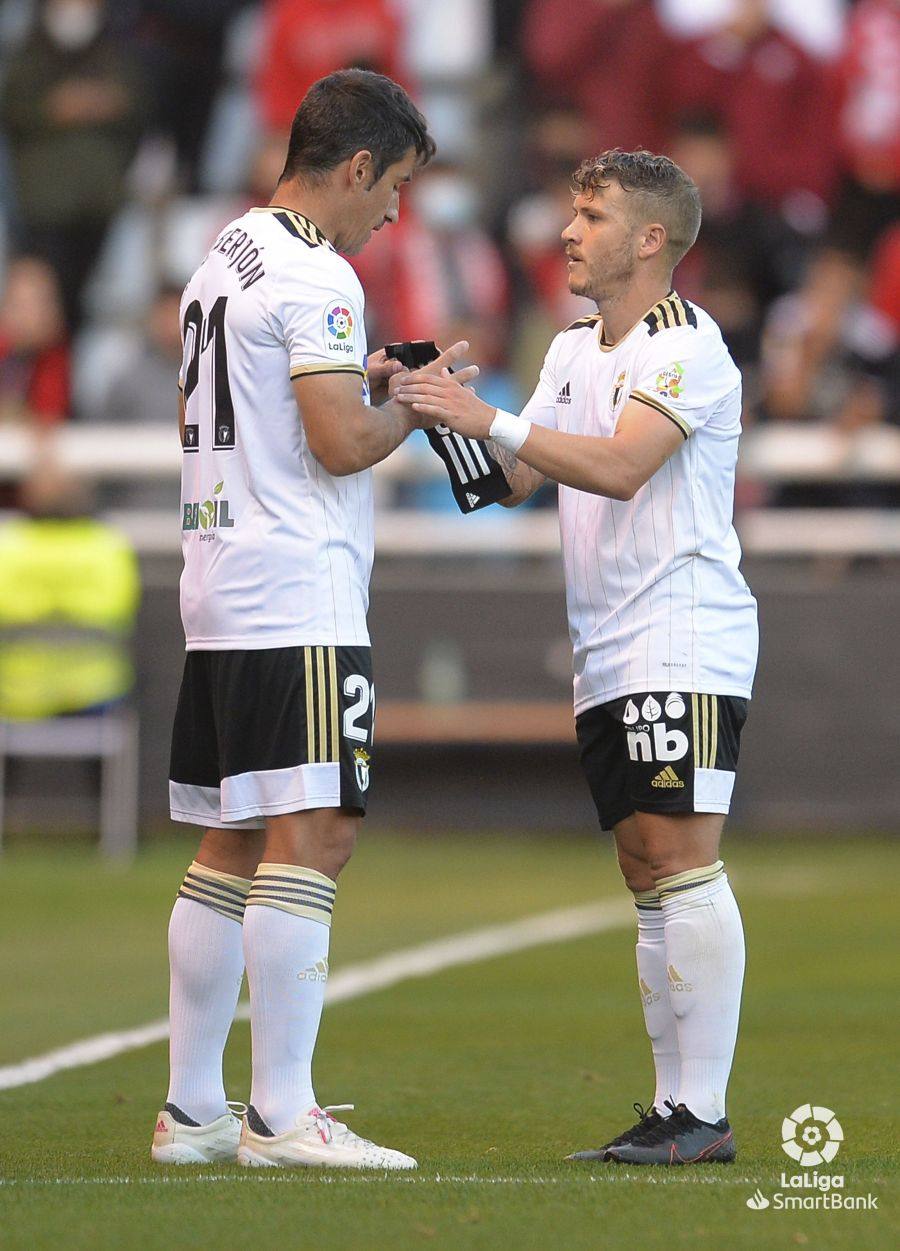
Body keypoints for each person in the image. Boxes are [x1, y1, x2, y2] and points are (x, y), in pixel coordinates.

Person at [395, 148, 759, 1165]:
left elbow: (621, 467)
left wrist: (490, 418)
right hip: (609, 641)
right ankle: (672, 1108)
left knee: (682, 857)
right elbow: (508, 481)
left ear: (651, 239)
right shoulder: (567, 351)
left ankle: (704, 1112)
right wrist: (433, 409)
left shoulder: (691, 347)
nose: (567, 230)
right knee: (645, 865)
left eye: (592, 215)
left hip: (681, 634)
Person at [154, 69, 476, 1171]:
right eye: (392, 190)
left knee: (231, 837)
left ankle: (192, 1109)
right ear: (355, 168)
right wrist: (410, 403)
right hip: (298, 586)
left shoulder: (223, 254)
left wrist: (363, 382)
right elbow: (341, 444)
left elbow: (286, 404)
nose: (394, 214)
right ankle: (282, 1116)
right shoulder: (319, 274)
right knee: (317, 830)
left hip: (220, 573)